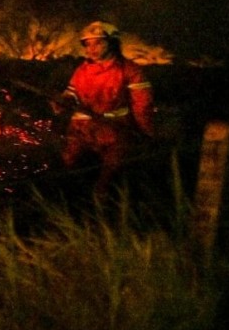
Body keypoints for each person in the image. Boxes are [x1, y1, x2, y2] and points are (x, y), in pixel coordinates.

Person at [55, 21, 155, 200]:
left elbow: (142, 105)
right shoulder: (82, 70)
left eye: (99, 42)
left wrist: (145, 131)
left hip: (114, 131)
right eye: (88, 44)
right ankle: (67, 208)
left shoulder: (130, 70)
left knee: (109, 179)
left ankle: (104, 213)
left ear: (112, 43)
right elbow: (71, 93)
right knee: (68, 173)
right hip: (80, 130)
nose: (91, 48)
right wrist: (63, 102)